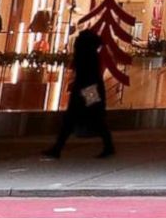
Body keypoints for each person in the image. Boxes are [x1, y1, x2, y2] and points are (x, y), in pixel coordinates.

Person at [42, 29, 114, 159]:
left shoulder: (85, 55)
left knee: (77, 118)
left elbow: (86, 75)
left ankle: (58, 148)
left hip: (86, 89)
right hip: (89, 89)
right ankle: (108, 145)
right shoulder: (91, 55)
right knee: (91, 117)